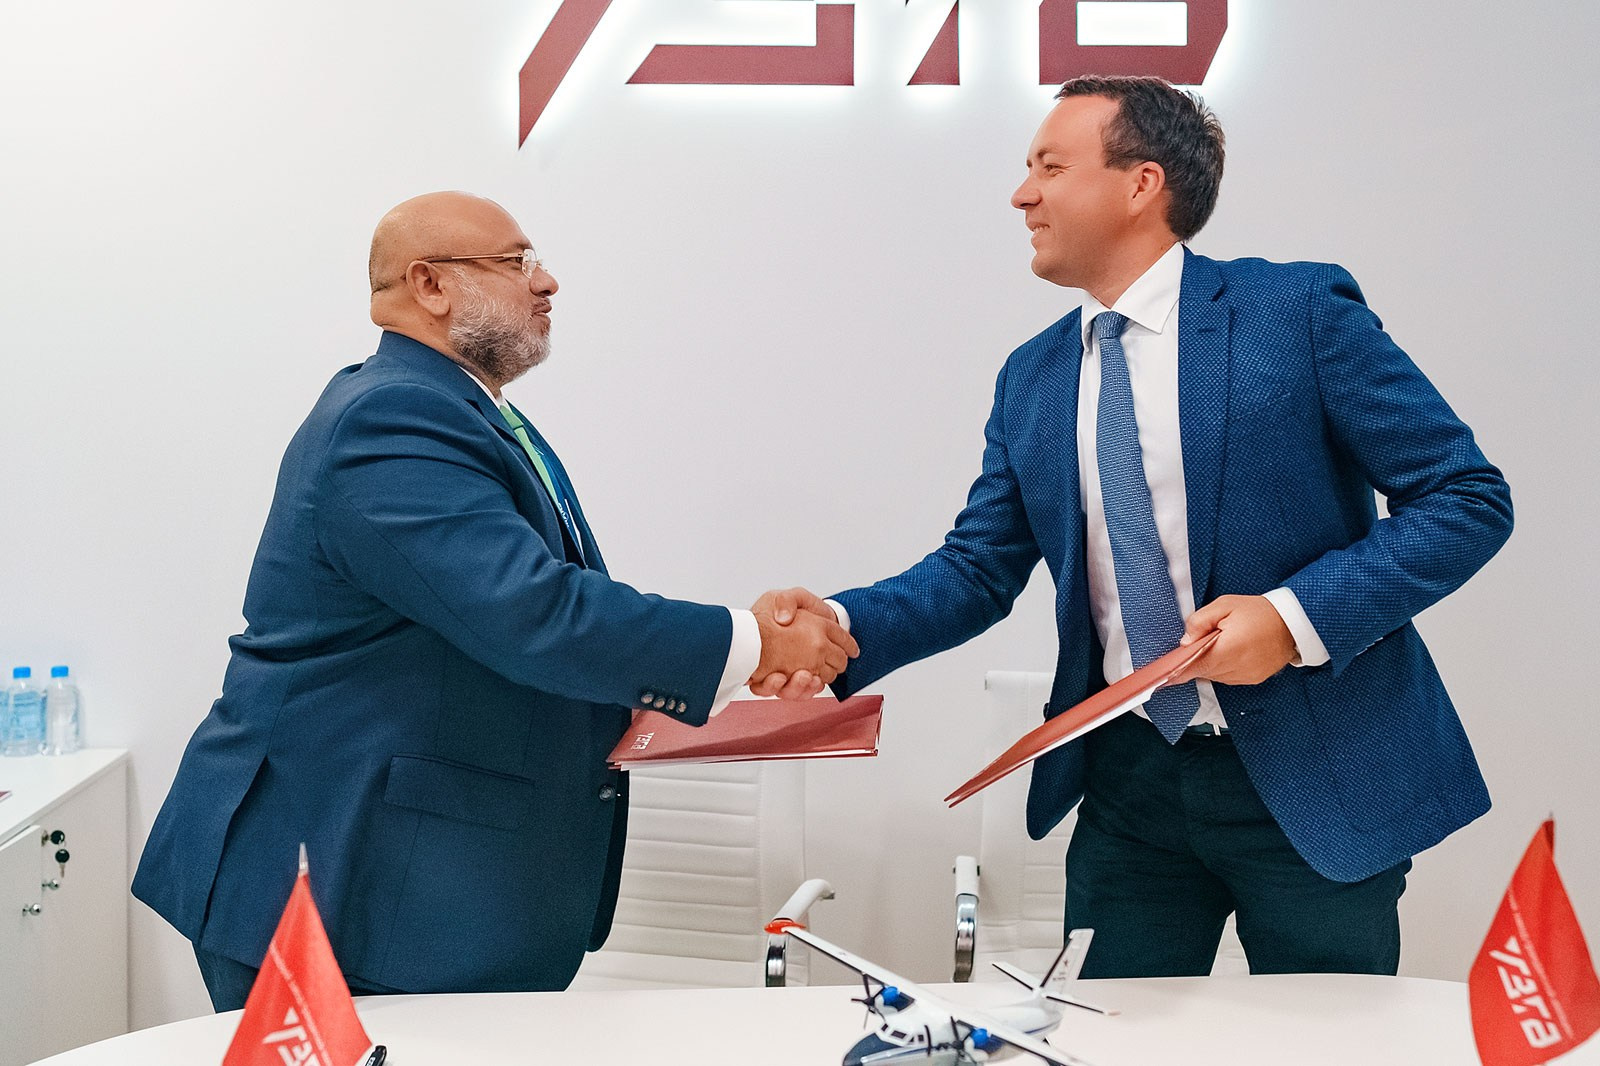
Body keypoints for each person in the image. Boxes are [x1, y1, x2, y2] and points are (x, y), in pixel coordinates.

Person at [756, 77, 1513, 978]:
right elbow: (976, 569)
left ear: (1141, 183)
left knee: (1324, 1037)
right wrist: (838, 629)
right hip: (1129, 786)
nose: (1021, 194)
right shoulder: (1033, 377)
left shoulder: (1297, 313)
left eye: (1049, 167)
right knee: (1108, 1032)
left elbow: (1466, 497)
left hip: (1317, 772)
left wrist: (1291, 619)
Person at [132, 191, 856, 1010]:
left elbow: (517, 619)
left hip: (403, 892)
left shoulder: (466, 409)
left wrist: (711, 667)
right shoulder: (391, 418)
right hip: (338, 889)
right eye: (517, 263)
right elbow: (534, 614)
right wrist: (752, 643)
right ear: (430, 284)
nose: (547, 282)